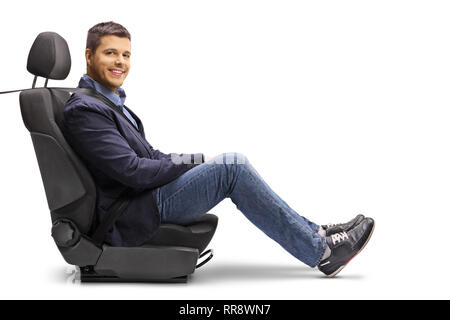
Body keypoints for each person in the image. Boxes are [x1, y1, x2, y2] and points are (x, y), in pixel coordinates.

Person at [61, 21, 375, 278]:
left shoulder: (108, 103)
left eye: (126, 55)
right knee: (233, 166)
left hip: (141, 196)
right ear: (89, 56)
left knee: (225, 163)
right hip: (132, 210)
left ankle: (316, 232)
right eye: (111, 53)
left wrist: (196, 160)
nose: (120, 62)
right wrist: (196, 164)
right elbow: (132, 171)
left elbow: (151, 157)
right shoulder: (86, 109)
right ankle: (322, 251)